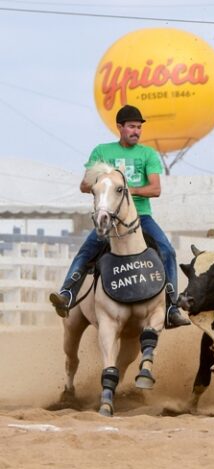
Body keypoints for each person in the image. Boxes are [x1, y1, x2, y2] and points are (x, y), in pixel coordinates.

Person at [49, 104, 190, 328]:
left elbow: (155, 189)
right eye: (132, 127)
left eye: (139, 127)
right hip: (108, 218)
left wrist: (124, 190)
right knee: (86, 251)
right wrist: (105, 183)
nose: (136, 131)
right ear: (120, 127)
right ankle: (66, 294)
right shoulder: (102, 151)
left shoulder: (147, 154)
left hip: (140, 217)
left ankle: (172, 307)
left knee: (167, 250)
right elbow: (85, 185)